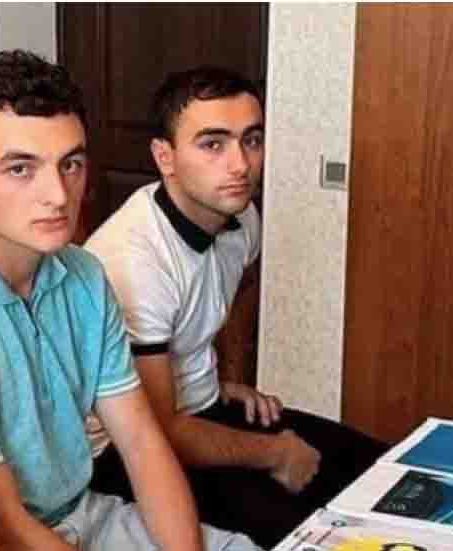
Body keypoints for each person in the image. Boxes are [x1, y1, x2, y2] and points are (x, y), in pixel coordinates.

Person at [0, 50, 259, 551]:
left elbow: (142, 443)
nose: (58, 194)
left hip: (79, 514)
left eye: (71, 164)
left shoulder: (84, 275)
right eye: (21, 169)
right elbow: (0, 520)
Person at [84, 66, 389, 548]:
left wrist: (227, 376)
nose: (240, 164)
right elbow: (157, 431)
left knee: (380, 469)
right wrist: (275, 453)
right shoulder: (133, 261)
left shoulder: (241, 217)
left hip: (204, 410)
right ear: (165, 157)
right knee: (312, 532)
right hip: (130, 453)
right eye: (213, 144)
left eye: (252, 140)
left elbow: (239, 287)